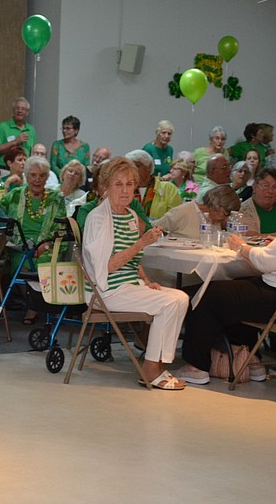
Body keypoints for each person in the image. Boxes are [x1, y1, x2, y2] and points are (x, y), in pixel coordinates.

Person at [82, 157, 188, 390]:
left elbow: (133, 261)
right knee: (171, 303)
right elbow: (106, 267)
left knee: (181, 298)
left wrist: (146, 282)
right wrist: (141, 243)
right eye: (118, 184)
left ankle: (156, 365)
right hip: (105, 290)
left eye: (130, 184)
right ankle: (151, 369)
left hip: (128, 285)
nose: (125, 190)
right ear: (106, 187)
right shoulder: (98, 218)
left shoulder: (130, 215)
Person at [175, 231, 274, 385]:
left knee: (209, 294)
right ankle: (249, 360)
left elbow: (264, 261)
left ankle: (196, 366)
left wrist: (241, 247)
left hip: (273, 296)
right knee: (238, 286)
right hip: (272, 297)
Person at [0, 156, 66, 325]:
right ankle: (34, 305)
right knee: (22, 262)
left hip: (47, 245)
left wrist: (45, 245)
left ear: (46, 177)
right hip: (20, 246)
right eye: (33, 175)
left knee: (43, 261)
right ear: (27, 176)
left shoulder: (56, 198)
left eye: (42, 175)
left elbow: (61, 228)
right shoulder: (14, 195)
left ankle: (42, 305)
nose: (37, 179)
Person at [152, 185, 240, 240]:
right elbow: (152, 228)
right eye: (227, 213)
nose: (226, 218)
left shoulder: (214, 220)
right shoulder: (185, 211)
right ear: (216, 205)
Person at [125, 149, 181, 219]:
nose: (132, 170)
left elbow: (176, 217)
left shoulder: (168, 188)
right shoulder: (125, 190)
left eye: (137, 166)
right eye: (129, 167)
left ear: (149, 167)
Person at [0, 96, 36, 170]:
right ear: (13, 111)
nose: (19, 111)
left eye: (23, 109)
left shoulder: (31, 130)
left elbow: (33, 152)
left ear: (27, 113)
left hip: (25, 171)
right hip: (6, 170)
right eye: (17, 108)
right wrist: (14, 142)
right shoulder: (2, 127)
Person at [240, 168, 276, 235]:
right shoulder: (243, 211)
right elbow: (252, 237)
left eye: (275, 187)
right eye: (265, 186)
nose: (270, 191)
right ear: (254, 187)